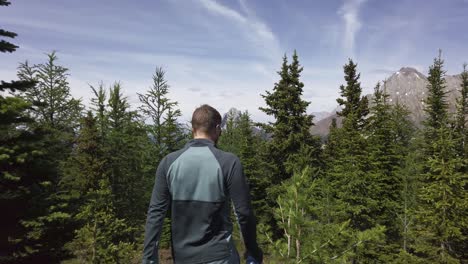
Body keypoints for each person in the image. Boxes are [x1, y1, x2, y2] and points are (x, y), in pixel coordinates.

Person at [142, 104, 263, 264]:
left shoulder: (168, 163)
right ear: (218, 128)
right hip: (221, 257)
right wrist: (253, 251)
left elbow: (155, 214)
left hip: (183, 258)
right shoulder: (229, 162)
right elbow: (243, 214)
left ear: (193, 129)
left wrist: (149, 259)